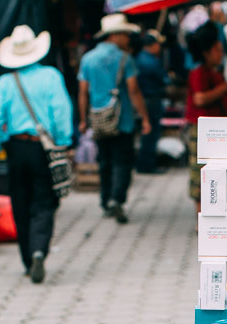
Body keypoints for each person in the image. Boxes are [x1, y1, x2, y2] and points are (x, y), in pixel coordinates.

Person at [0, 25, 73, 283]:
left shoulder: (4, 83)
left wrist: (0, 143)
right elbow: (61, 112)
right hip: (43, 147)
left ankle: (27, 259)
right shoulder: (51, 76)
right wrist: (63, 142)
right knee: (44, 200)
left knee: (20, 201)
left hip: (16, 148)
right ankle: (38, 250)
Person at [79, 14, 151, 224]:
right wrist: (145, 117)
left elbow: (83, 91)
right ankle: (118, 199)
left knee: (105, 161)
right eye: (126, 34)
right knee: (123, 161)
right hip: (122, 119)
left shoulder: (88, 58)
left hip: (99, 118)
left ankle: (105, 200)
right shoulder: (124, 59)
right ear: (115, 35)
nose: (129, 39)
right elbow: (134, 90)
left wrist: (83, 120)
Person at [184, 23, 227, 205]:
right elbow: (199, 99)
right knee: (201, 173)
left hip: (217, 129)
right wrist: (223, 89)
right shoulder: (199, 72)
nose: (221, 54)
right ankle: (201, 220)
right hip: (201, 130)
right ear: (207, 52)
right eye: (217, 50)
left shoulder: (214, 72)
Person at [135, 31, 170, 174]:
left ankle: (145, 163)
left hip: (144, 99)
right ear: (151, 45)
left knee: (147, 132)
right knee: (150, 133)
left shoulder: (138, 59)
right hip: (151, 99)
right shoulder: (151, 62)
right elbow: (165, 79)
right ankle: (147, 164)